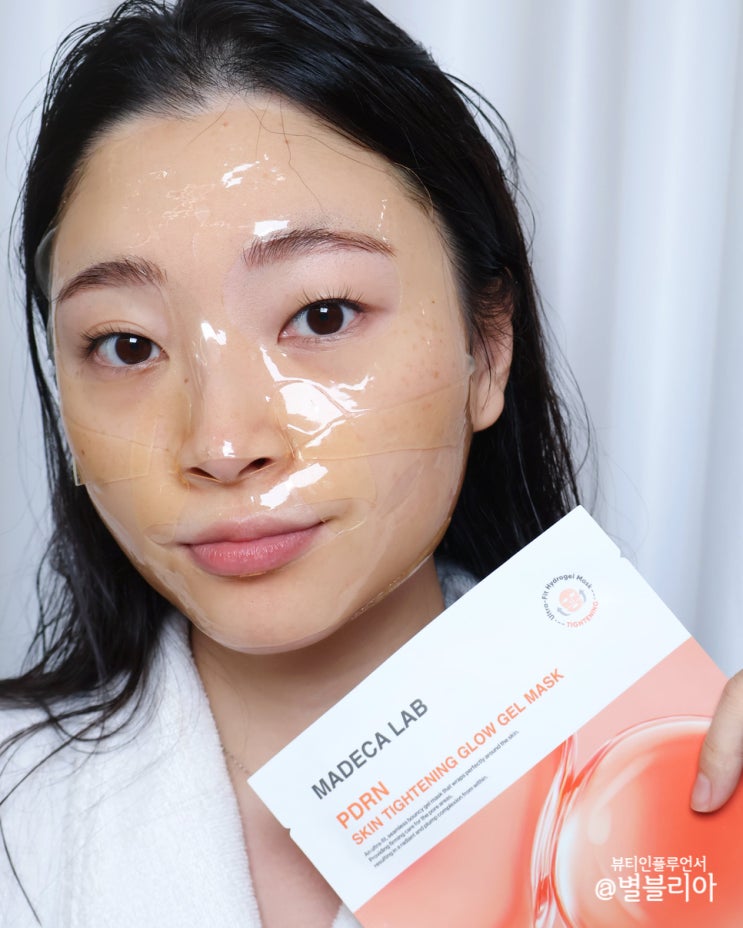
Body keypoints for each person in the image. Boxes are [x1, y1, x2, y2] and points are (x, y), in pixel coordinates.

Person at [1, 1, 741, 926]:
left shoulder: (670, 788)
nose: (222, 446)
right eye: (126, 345)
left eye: (322, 316)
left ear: (487, 349)